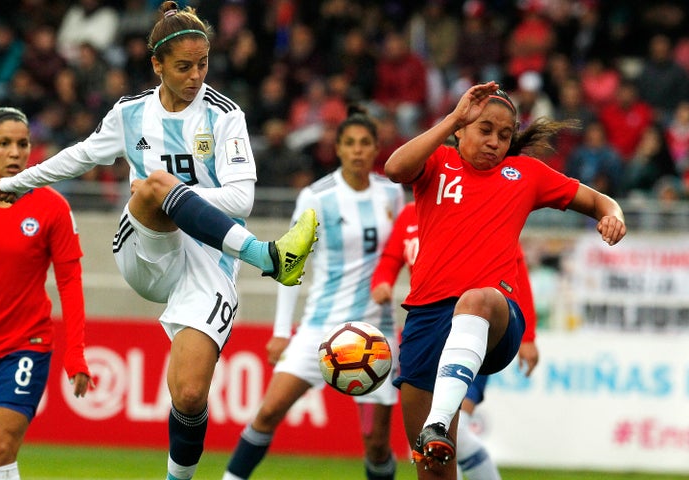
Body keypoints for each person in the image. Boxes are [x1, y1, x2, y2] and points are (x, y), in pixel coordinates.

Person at [0, 3, 318, 480]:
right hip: (145, 246)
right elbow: (80, 156)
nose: (196, 76)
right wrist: (19, 182)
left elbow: (242, 198)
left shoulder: (224, 115)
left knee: (188, 394)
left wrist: (180, 195)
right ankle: (269, 257)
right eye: (184, 67)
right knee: (153, 186)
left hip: (209, 263)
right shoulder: (130, 114)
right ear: (157, 65)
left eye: (203, 65)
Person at [382, 81, 626, 479]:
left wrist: (613, 215)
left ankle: (440, 421)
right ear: (461, 128)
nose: (495, 141)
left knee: (477, 300)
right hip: (426, 321)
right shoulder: (437, 163)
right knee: (431, 467)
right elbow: (394, 168)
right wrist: (452, 119)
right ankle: (437, 431)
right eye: (485, 130)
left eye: (505, 134)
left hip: (496, 319)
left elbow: (600, 201)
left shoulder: (525, 174)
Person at [222, 106, 406, 480]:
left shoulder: (393, 195)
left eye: (365, 143)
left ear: (376, 149)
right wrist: (280, 332)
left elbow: (405, 248)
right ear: (337, 148)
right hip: (320, 328)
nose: (357, 150)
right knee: (269, 411)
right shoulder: (316, 197)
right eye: (350, 143)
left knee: (375, 442)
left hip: (375, 334)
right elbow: (291, 263)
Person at [370, 202, 540, 480]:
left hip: (472, 330)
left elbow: (518, 269)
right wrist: (382, 282)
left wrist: (528, 336)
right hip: (428, 336)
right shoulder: (410, 214)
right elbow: (389, 259)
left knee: (452, 431)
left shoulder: (478, 206)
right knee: (437, 440)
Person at [0, 107, 94, 480]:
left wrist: (76, 354)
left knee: (2, 446)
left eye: (22, 144)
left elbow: (70, 282)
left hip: (24, 344)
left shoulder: (52, 207)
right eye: (4, 143)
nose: (15, 153)